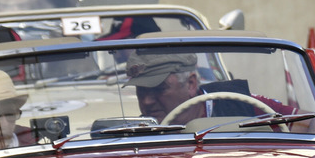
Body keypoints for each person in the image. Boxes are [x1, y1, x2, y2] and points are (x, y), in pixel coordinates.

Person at [124, 50, 296, 126]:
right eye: (141, 90)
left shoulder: (239, 103)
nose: (146, 101)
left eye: (159, 89)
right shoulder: (138, 134)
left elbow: (308, 122)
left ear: (191, 84)